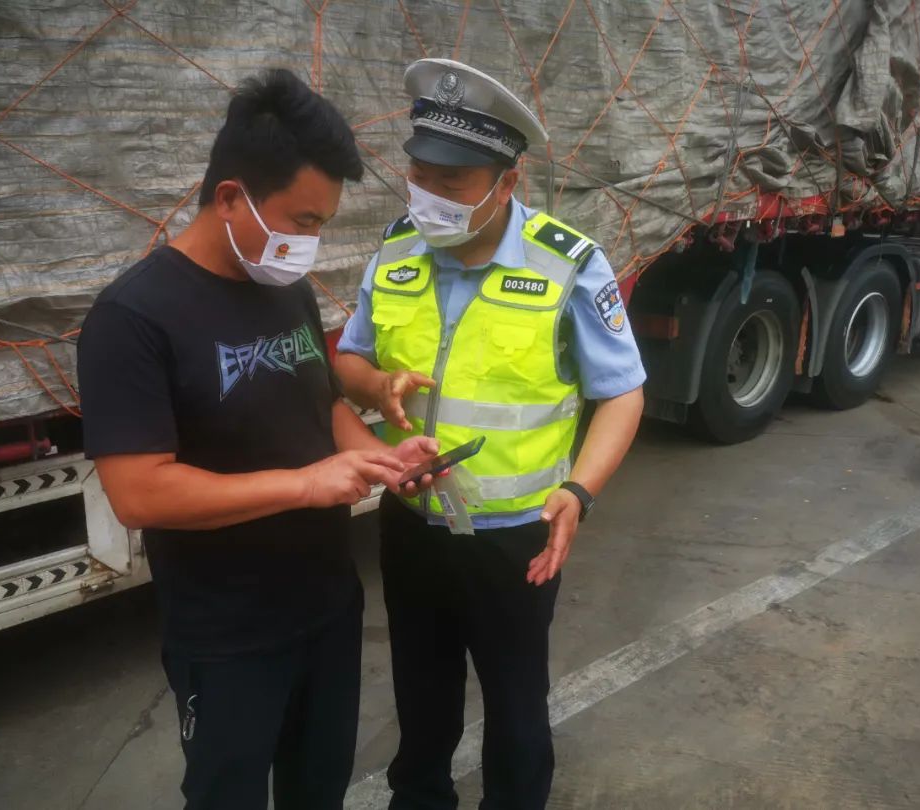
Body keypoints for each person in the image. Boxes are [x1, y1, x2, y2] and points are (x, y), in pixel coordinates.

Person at [76, 69, 437, 810]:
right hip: (228, 635)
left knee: (319, 791)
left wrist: (375, 457)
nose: (310, 242)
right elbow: (138, 491)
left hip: (327, 608)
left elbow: (320, 404)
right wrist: (304, 485)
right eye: (302, 220)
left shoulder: (284, 288)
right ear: (231, 197)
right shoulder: (133, 318)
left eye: (322, 224)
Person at [335, 58, 647, 810]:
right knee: (421, 690)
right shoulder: (395, 251)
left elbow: (622, 392)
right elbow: (349, 360)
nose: (428, 196)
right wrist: (377, 385)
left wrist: (580, 491)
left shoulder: (567, 266)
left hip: (515, 538)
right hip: (411, 522)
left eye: (451, 182)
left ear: (506, 183)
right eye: (419, 176)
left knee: (515, 702)